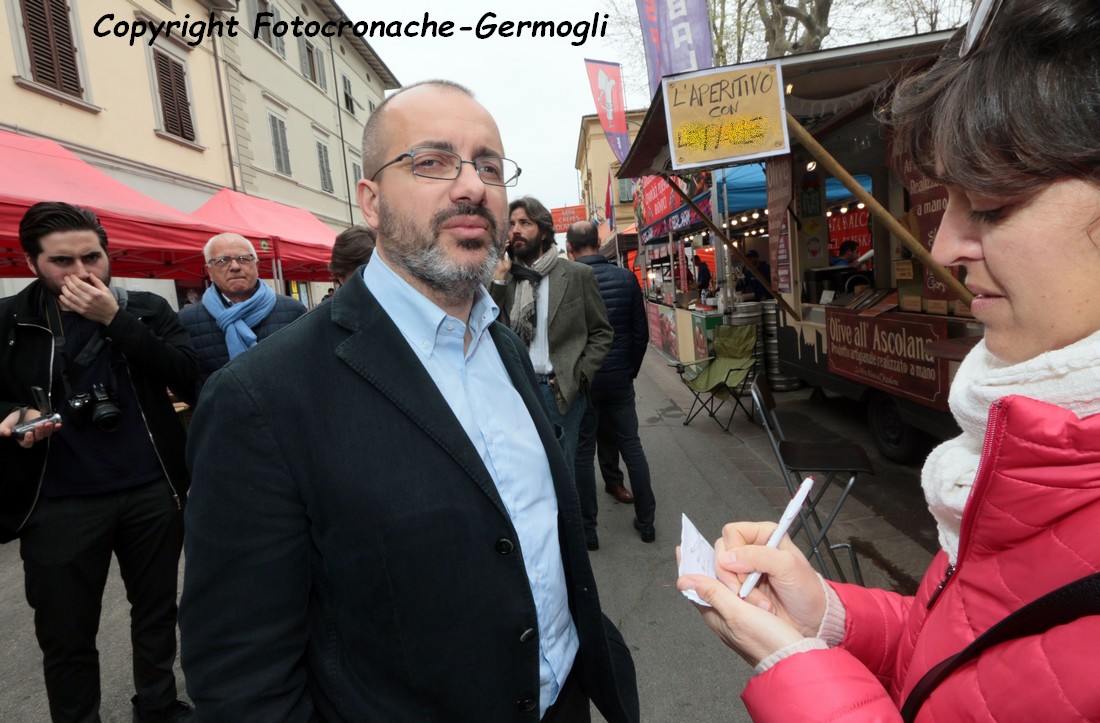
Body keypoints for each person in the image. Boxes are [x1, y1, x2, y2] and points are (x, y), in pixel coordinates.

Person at [677, 2, 1100, 719]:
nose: (942, 248)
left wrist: (798, 675)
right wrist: (826, 619)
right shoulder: (1019, 465)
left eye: (992, 206)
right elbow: (960, 658)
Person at [179, 80, 639, 722]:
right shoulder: (260, 398)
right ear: (370, 201)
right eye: (431, 162)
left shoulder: (503, 347)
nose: (472, 185)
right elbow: (241, 674)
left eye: (488, 165)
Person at [0, 202, 197, 722]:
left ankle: (157, 706)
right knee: (65, 632)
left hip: (151, 488)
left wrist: (116, 320)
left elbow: (190, 376)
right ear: (32, 263)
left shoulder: (147, 308)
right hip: (57, 500)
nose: (83, 272)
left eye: (93, 256)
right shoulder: (10, 319)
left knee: (156, 612)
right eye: (62, 261)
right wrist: (12, 412)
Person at [490, 196, 612, 470]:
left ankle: (568, 515)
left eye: (525, 223)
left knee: (562, 470)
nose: (515, 230)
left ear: (544, 231)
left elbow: (602, 332)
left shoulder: (577, 274)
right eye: (511, 224)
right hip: (517, 390)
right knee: (525, 470)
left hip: (559, 393)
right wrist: (498, 279)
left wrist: (579, 375)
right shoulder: (505, 278)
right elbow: (486, 329)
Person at [567, 221, 656, 548]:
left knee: (581, 453)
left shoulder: (566, 282)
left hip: (584, 381)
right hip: (619, 379)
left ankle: (589, 532)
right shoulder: (625, 277)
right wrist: (629, 370)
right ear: (599, 242)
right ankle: (647, 523)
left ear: (571, 248)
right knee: (631, 446)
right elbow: (640, 333)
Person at [177, 233, 305, 394]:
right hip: (221, 415)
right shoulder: (187, 320)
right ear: (209, 271)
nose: (235, 266)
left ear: (257, 266)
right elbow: (184, 382)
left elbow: (308, 368)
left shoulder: (292, 310)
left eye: (244, 258)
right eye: (223, 261)